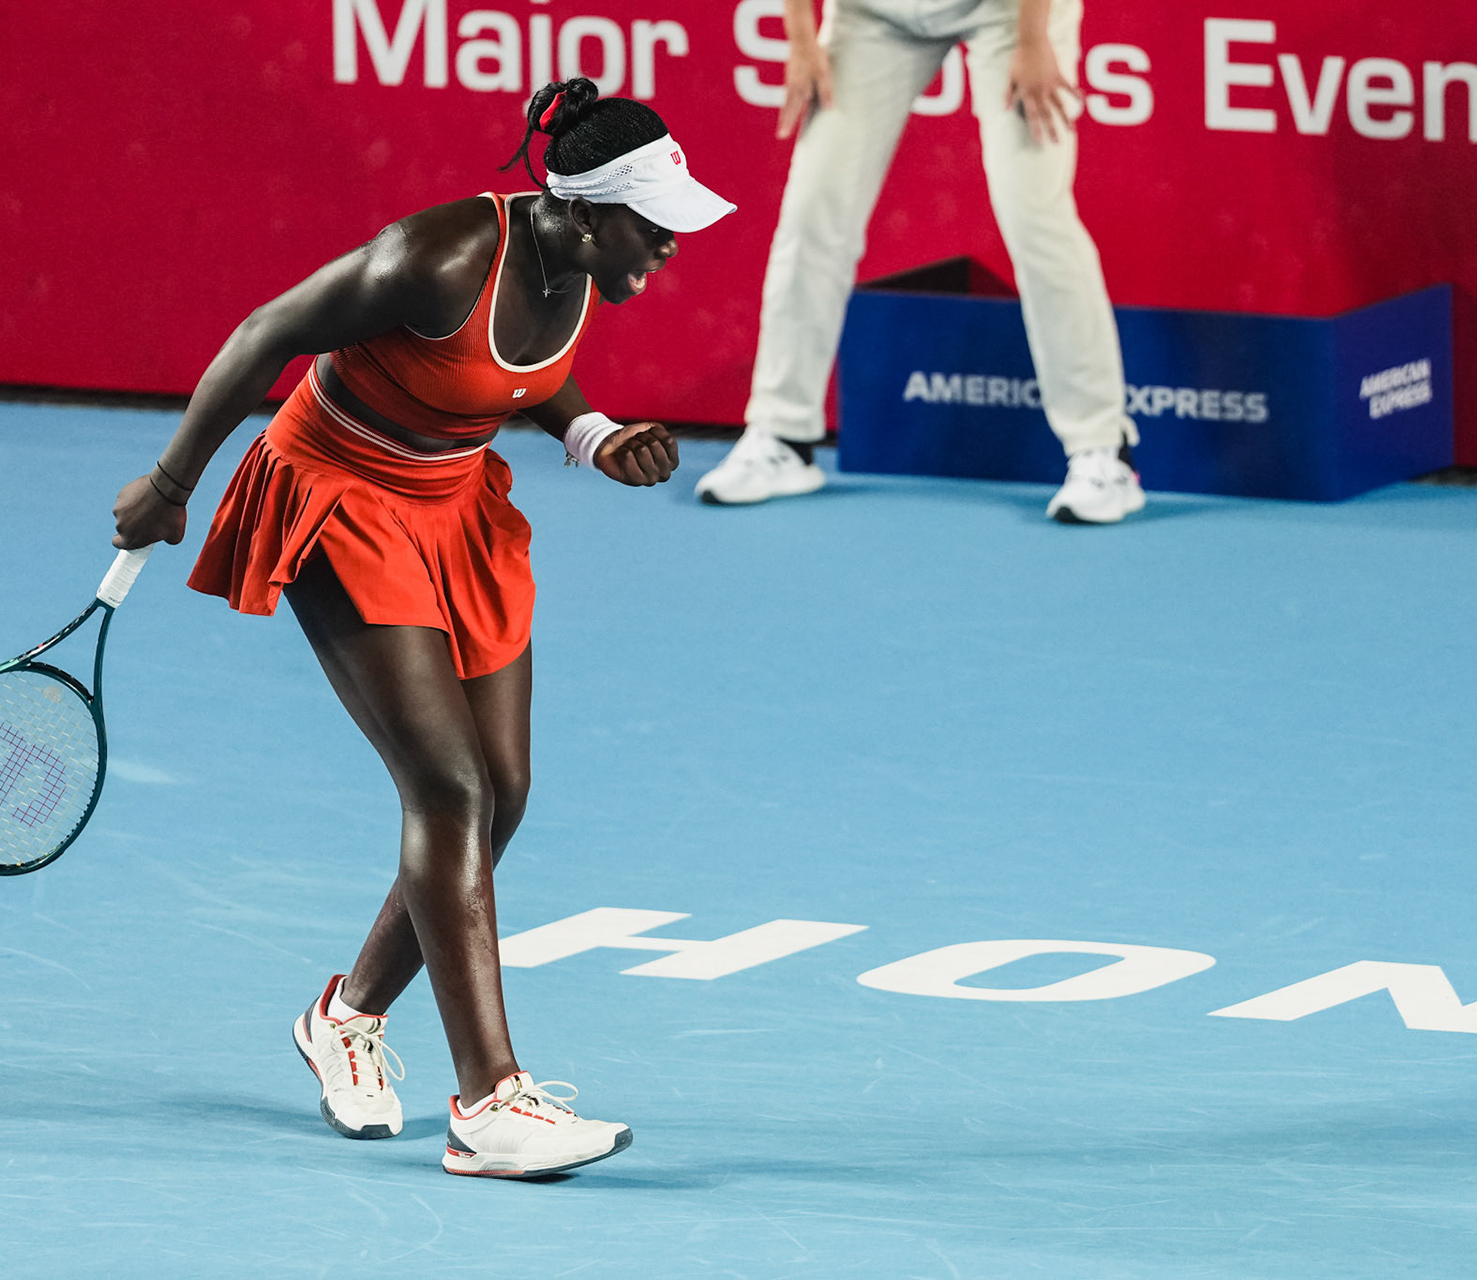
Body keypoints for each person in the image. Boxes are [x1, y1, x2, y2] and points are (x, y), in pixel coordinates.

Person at [109, 78, 734, 1179]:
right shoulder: (435, 257)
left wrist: (589, 432)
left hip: (455, 509)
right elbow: (268, 333)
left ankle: (344, 1016)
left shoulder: (583, 268)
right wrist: (171, 482)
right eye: (656, 227)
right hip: (340, 498)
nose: (670, 249)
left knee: (504, 791)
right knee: (448, 788)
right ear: (582, 212)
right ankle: (493, 1098)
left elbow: (524, 374)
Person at [696, 0, 1143, 524]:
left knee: (1034, 215)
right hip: (872, 13)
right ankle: (783, 436)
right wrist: (802, 40)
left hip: (1009, 12)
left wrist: (1033, 41)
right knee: (814, 209)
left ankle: (1103, 451)